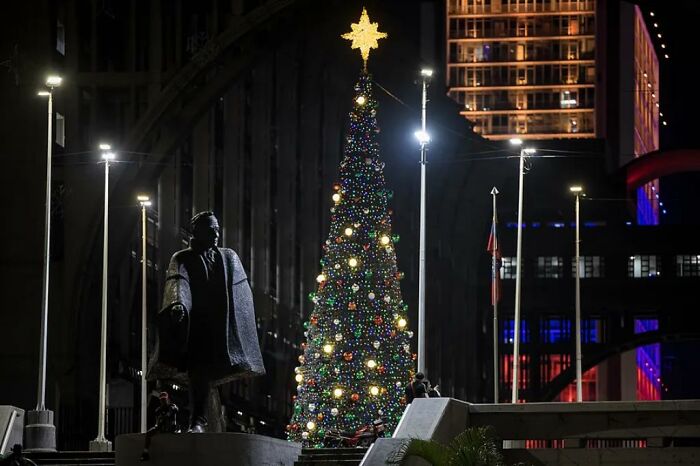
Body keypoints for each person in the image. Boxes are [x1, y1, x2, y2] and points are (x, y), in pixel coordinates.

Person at [148, 212, 265, 433]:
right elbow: (178, 281)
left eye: (217, 228)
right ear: (196, 231)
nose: (216, 233)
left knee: (211, 375)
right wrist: (179, 305)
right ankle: (198, 421)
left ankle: (212, 419)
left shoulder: (228, 257)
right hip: (196, 327)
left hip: (221, 328)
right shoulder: (182, 257)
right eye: (210, 229)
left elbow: (241, 291)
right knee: (198, 371)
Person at [141, 392, 179, 461]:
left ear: (167, 399)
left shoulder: (172, 406)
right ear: (160, 400)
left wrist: (165, 416)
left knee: (166, 420)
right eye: (162, 399)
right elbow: (157, 421)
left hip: (171, 427)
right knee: (148, 433)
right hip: (161, 427)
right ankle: (145, 452)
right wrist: (157, 425)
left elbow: (172, 411)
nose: (163, 401)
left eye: (164, 399)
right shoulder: (158, 410)